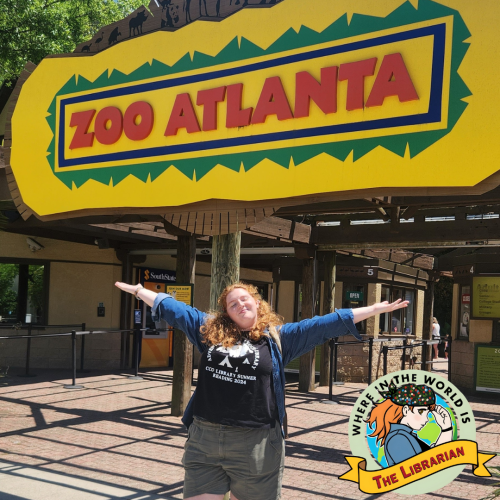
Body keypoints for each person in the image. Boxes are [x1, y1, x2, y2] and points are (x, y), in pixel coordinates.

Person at [115, 280, 408, 500]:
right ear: (227, 313)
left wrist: (374, 309)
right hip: (205, 440)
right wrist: (141, 291)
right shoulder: (208, 331)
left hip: (257, 445)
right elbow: (175, 310)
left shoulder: (281, 338)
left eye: (245, 299)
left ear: (257, 303)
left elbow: (324, 325)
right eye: (233, 303)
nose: (241, 305)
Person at [366, 380, 453, 467]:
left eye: (428, 413)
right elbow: (422, 470)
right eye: (421, 411)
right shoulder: (398, 438)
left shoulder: (405, 436)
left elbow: (433, 459)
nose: (426, 419)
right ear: (406, 410)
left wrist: (446, 428)